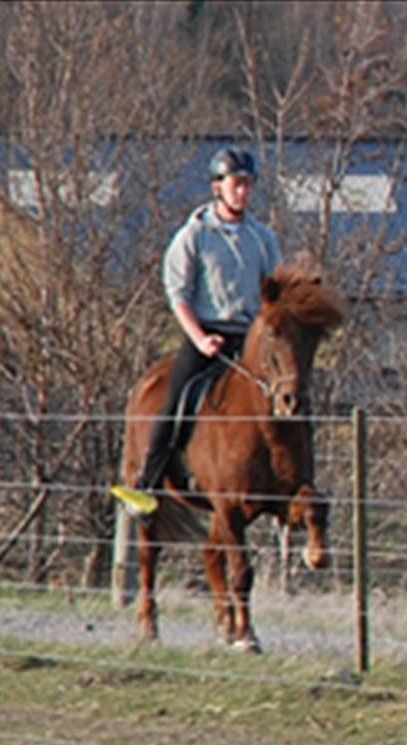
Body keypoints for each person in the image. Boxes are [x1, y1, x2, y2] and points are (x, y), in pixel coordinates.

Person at [112, 146, 282, 516]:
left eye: (249, 185)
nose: (244, 192)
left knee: (289, 395)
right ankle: (147, 483)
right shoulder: (194, 235)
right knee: (177, 401)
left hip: (251, 337)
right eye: (237, 184)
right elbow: (179, 295)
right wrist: (200, 338)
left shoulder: (263, 238)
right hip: (207, 335)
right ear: (218, 187)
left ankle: (289, 479)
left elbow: (274, 292)